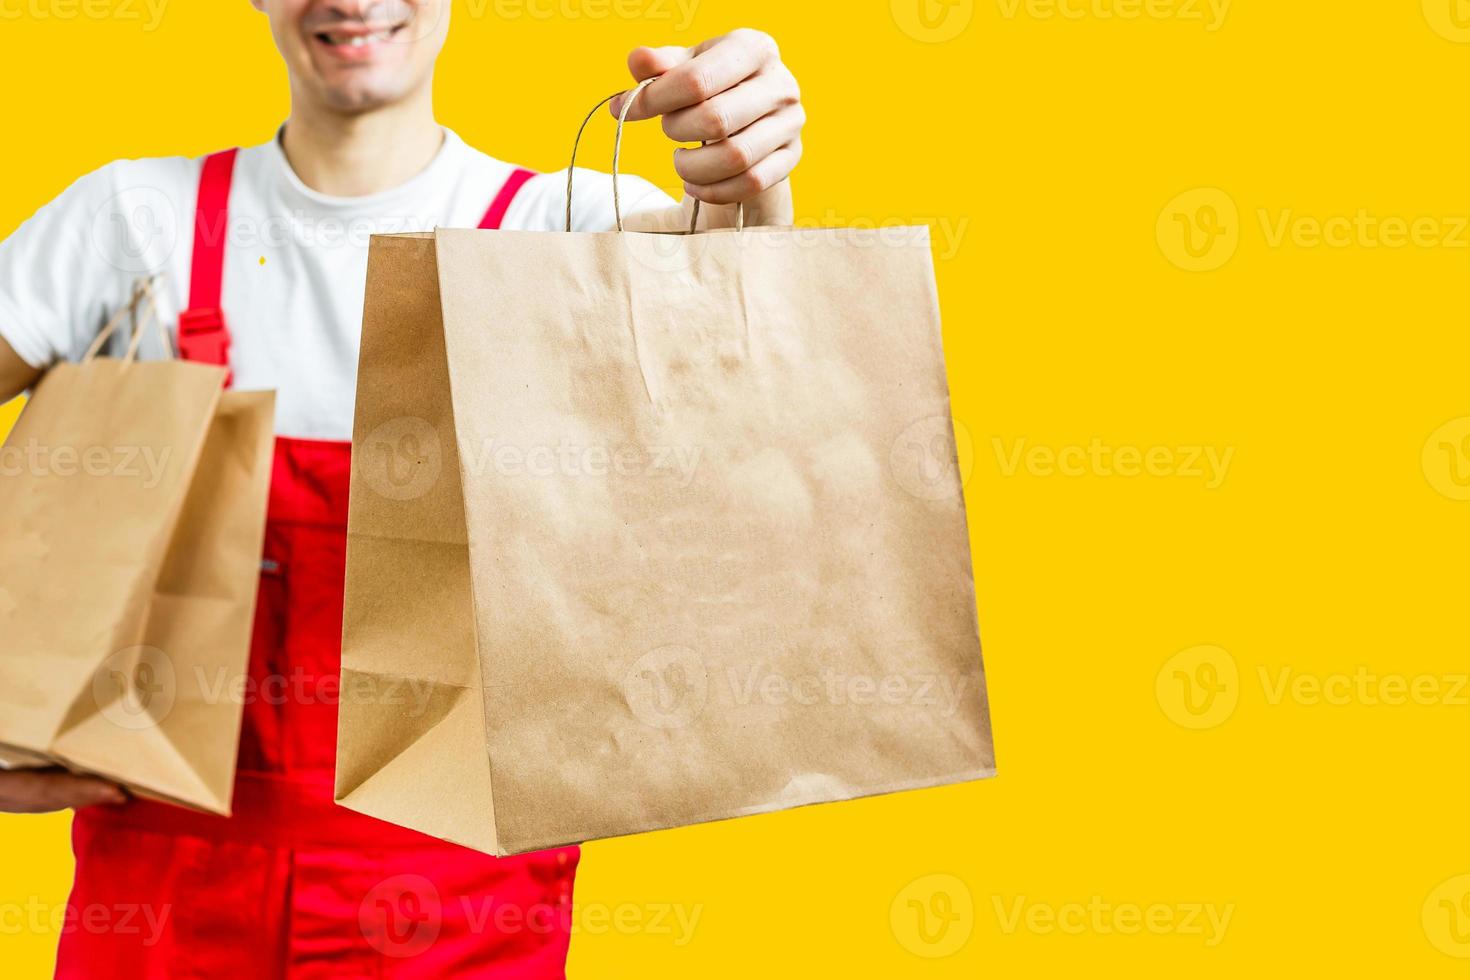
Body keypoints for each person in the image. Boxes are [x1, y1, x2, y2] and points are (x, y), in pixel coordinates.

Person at [0, 1, 806, 975]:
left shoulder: (562, 225)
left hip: (466, 916)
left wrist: (747, 171)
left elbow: (732, 314)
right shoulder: (137, 227)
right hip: (163, 907)